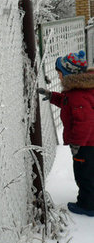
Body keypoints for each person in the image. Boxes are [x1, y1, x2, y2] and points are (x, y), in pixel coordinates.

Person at [38, 50, 94, 217]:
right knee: (89, 172)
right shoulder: (80, 91)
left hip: (85, 144)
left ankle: (87, 205)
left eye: (60, 74)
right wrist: (52, 96)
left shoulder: (78, 95)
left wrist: (77, 144)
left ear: (69, 74)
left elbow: (84, 122)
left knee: (84, 174)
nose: (59, 77)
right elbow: (66, 102)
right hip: (89, 142)